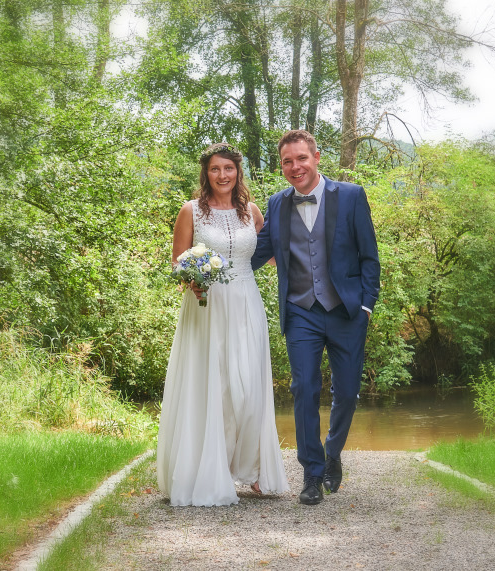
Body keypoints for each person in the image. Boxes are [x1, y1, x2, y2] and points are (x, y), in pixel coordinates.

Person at [156, 142, 289, 506]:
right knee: (214, 387)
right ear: (206, 173)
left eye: (228, 168)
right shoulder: (191, 211)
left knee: (249, 387)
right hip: (207, 307)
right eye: (215, 169)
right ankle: (206, 471)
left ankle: (255, 468)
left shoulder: (252, 212)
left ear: (237, 172)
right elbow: (177, 262)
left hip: (246, 303)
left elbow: (272, 252)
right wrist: (192, 281)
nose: (222, 175)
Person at [251, 130, 380, 505]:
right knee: (303, 388)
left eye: (301, 158)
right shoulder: (276, 203)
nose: (295, 167)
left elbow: (369, 257)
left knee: (348, 393)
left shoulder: (351, 196)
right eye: (287, 161)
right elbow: (256, 253)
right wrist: (210, 267)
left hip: (346, 310)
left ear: (317, 157)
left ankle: (332, 451)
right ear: (281, 166)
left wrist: (366, 306)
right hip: (300, 311)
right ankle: (311, 473)